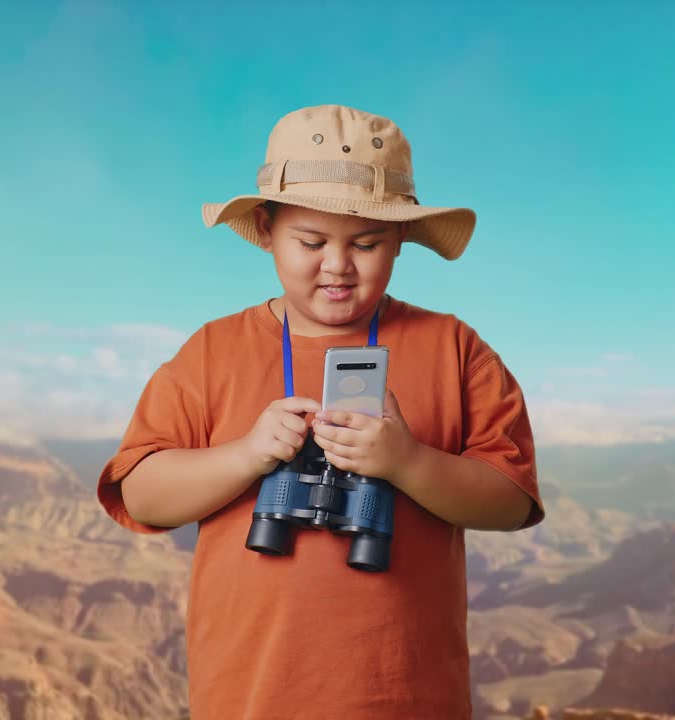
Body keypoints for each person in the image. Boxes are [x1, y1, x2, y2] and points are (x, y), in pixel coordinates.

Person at [97, 104, 545, 719]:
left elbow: (512, 499)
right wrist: (248, 456)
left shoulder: (455, 348)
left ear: (401, 242)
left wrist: (408, 464)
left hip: (408, 698)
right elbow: (142, 496)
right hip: (250, 696)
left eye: (367, 244)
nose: (337, 265)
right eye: (311, 241)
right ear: (266, 228)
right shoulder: (211, 352)